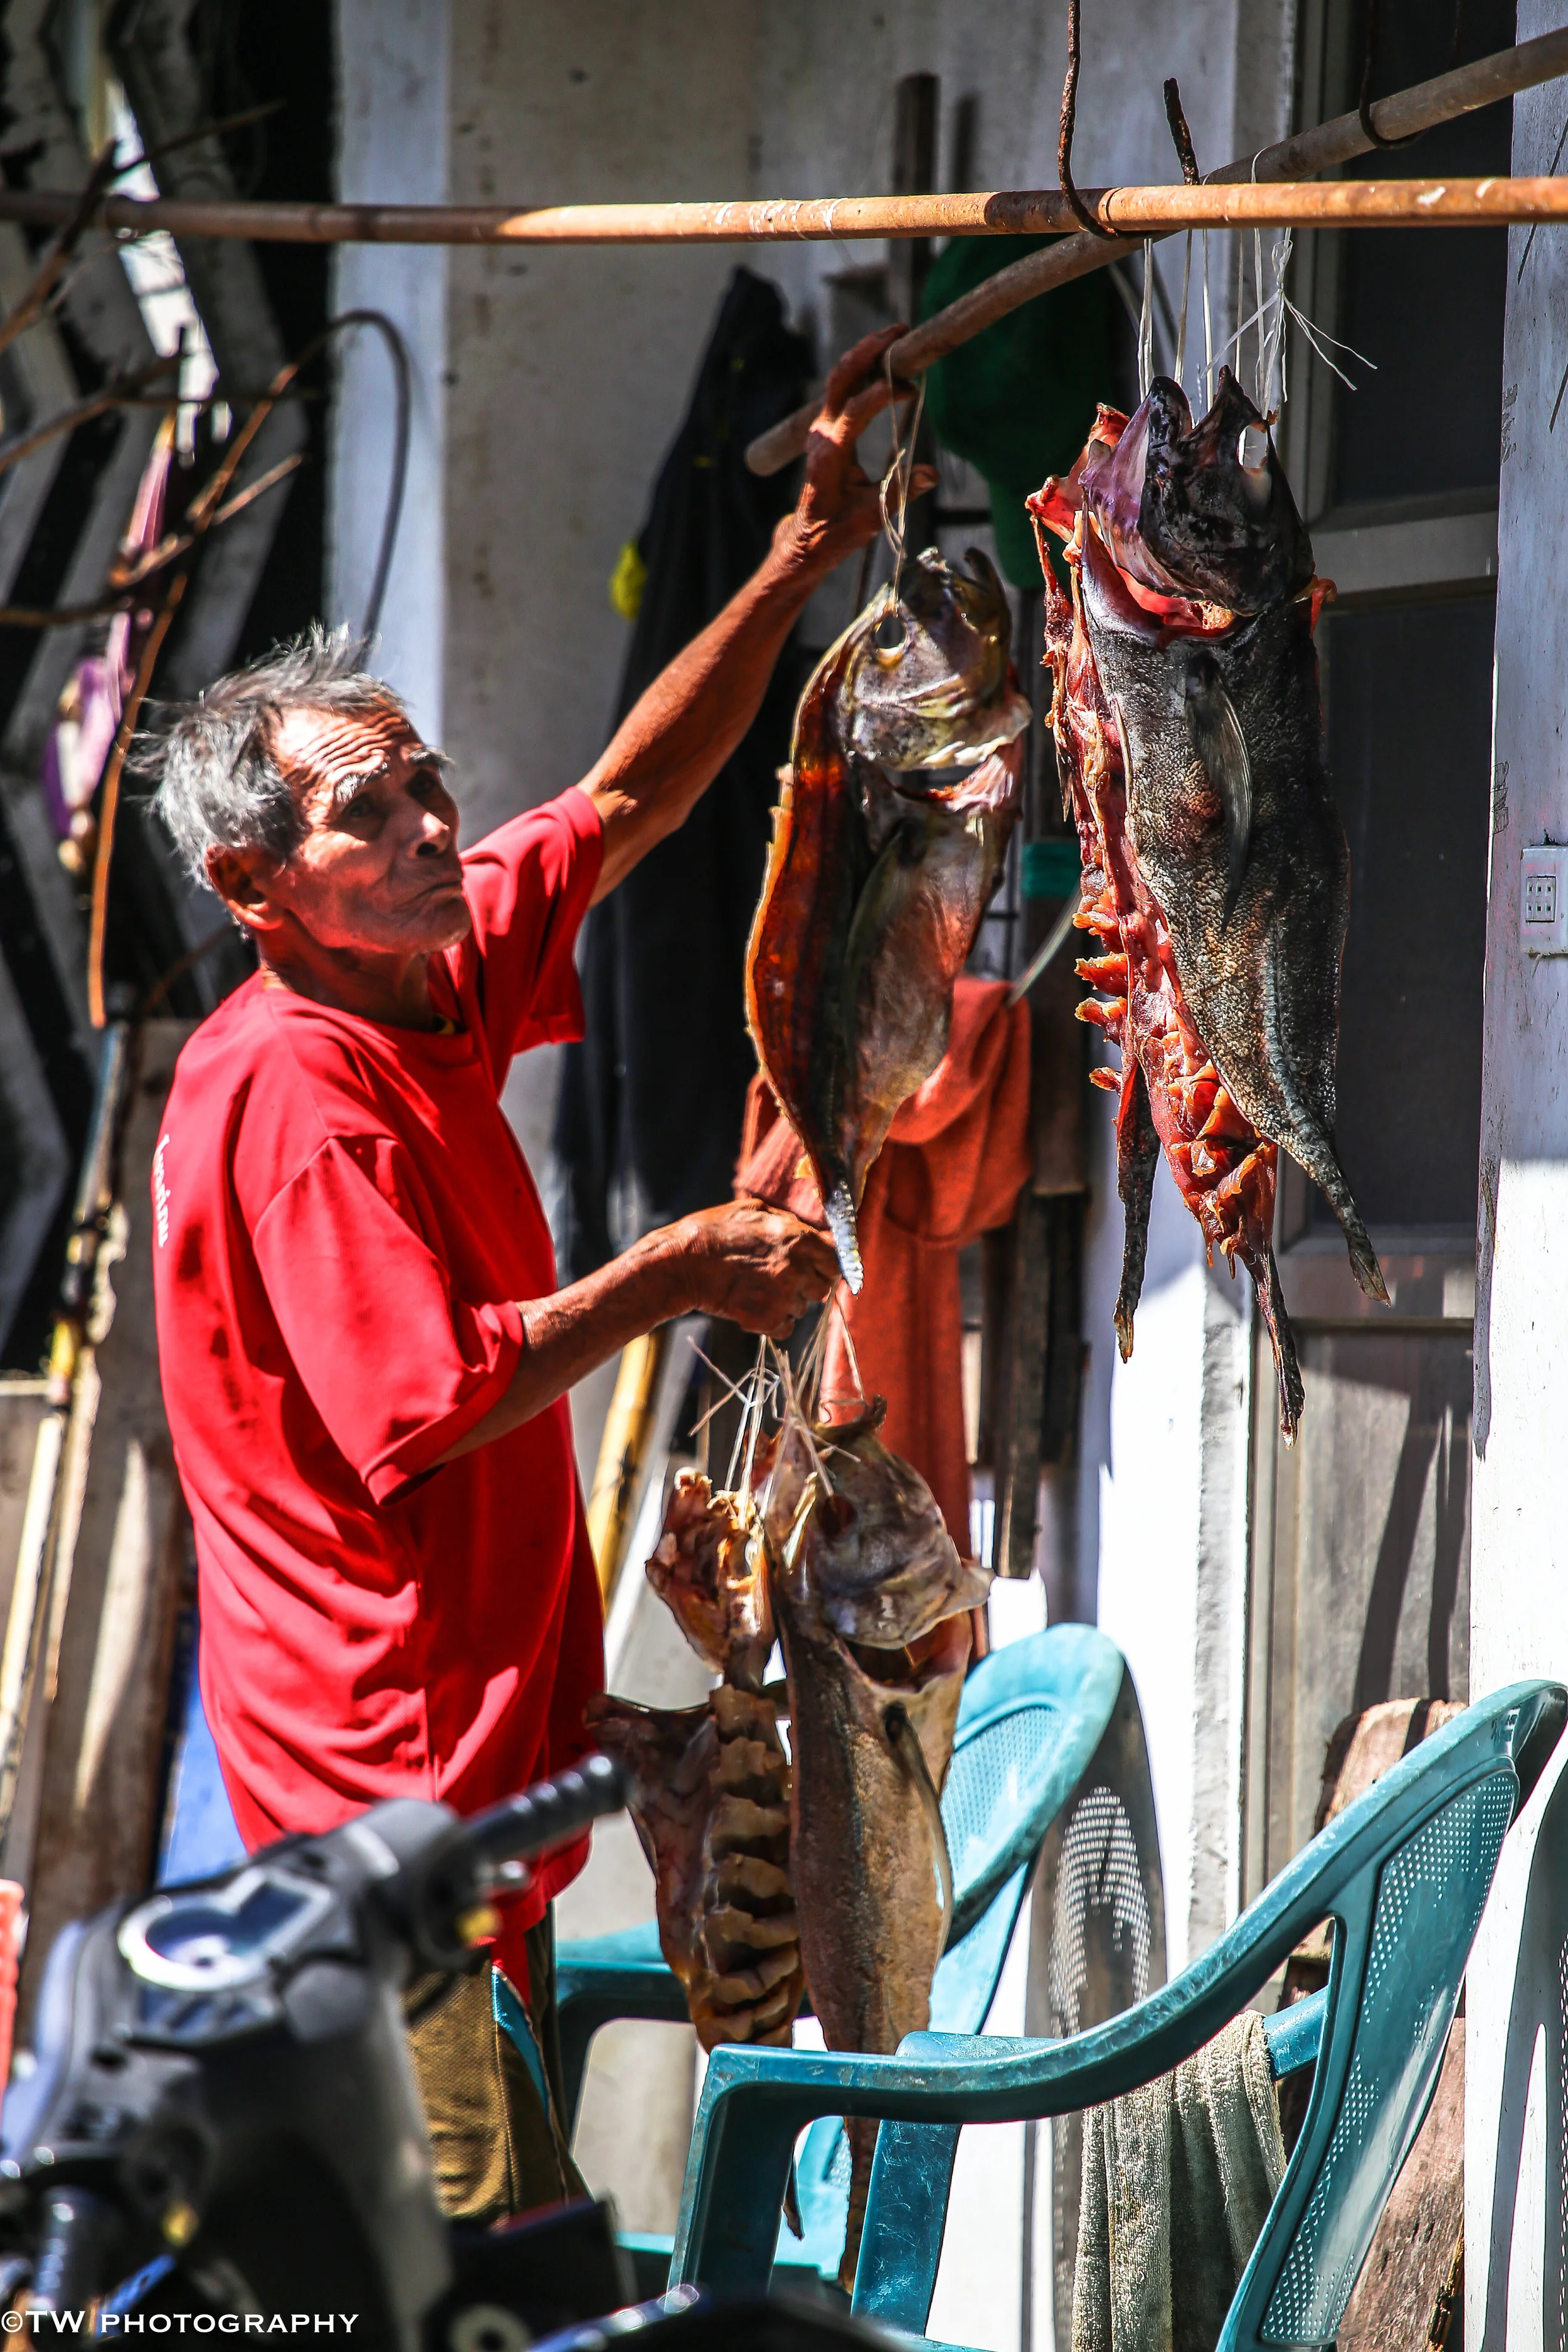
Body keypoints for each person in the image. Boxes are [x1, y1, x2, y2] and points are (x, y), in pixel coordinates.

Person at [147, 328, 932, 2222]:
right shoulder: (299, 1091)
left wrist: (789, 569)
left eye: (423, 782)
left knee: (513, 2249)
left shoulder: (413, 969)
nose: (431, 826)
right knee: (478, 2271)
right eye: (368, 816)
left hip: (469, 1797)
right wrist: (669, 1268)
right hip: (384, 1802)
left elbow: (626, 802)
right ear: (260, 894)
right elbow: (416, 1400)